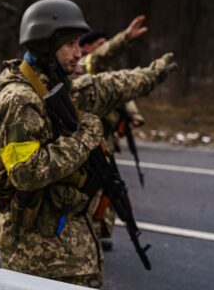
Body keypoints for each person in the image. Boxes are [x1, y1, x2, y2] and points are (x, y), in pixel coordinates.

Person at [0, 0, 176, 288]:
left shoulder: (63, 87)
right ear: (46, 44)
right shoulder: (19, 100)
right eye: (71, 44)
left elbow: (115, 83)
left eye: (79, 44)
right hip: (39, 256)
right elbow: (25, 172)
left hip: (68, 245)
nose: (80, 52)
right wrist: (87, 136)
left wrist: (154, 73)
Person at [79, 17, 149, 251]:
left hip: (106, 137)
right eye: (99, 43)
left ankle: (98, 233)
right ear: (87, 47)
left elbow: (123, 94)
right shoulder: (86, 64)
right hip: (89, 137)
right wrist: (125, 38)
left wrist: (133, 114)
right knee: (93, 188)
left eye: (104, 42)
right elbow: (102, 56)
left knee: (109, 189)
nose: (103, 46)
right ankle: (86, 231)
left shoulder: (104, 70)